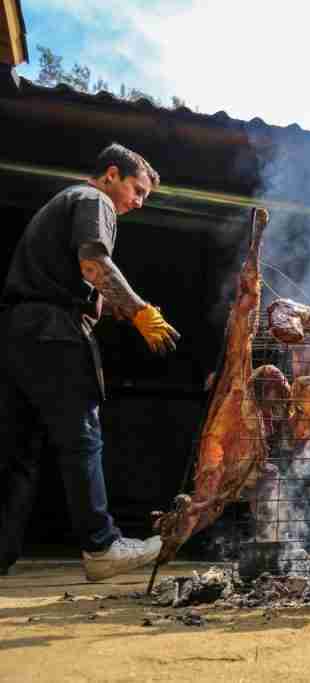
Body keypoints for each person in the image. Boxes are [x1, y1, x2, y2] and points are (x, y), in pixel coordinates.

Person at [0, 143, 181, 580]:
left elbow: (86, 282)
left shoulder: (61, 205)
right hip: (53, 332)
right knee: (82, 438)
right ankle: (100, 547)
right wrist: (140, 310)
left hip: (16, 333)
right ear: (111, 175)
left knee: (17, 452)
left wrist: (114, 306)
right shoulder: (92, 200)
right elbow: (94, 262)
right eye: (137, 191)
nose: (138, 203)